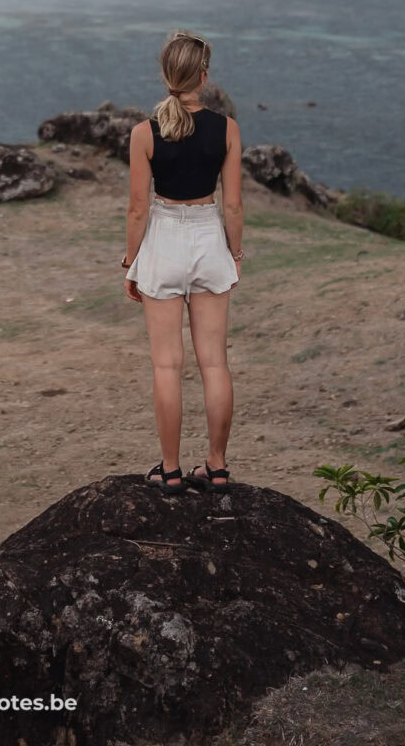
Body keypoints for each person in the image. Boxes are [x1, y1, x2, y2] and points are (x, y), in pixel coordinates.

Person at [122, 31, 244, 494]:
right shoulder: (227, 129)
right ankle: (216, 466)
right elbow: (232, 206)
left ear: (166, 75)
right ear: (205, 76)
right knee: (215, 364)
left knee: (166, 367)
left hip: (163, 242)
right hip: (209, 239)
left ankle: (170, 471)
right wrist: (233, 253)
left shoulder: (142, 134)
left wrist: (131, 262)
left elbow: (138, 208)